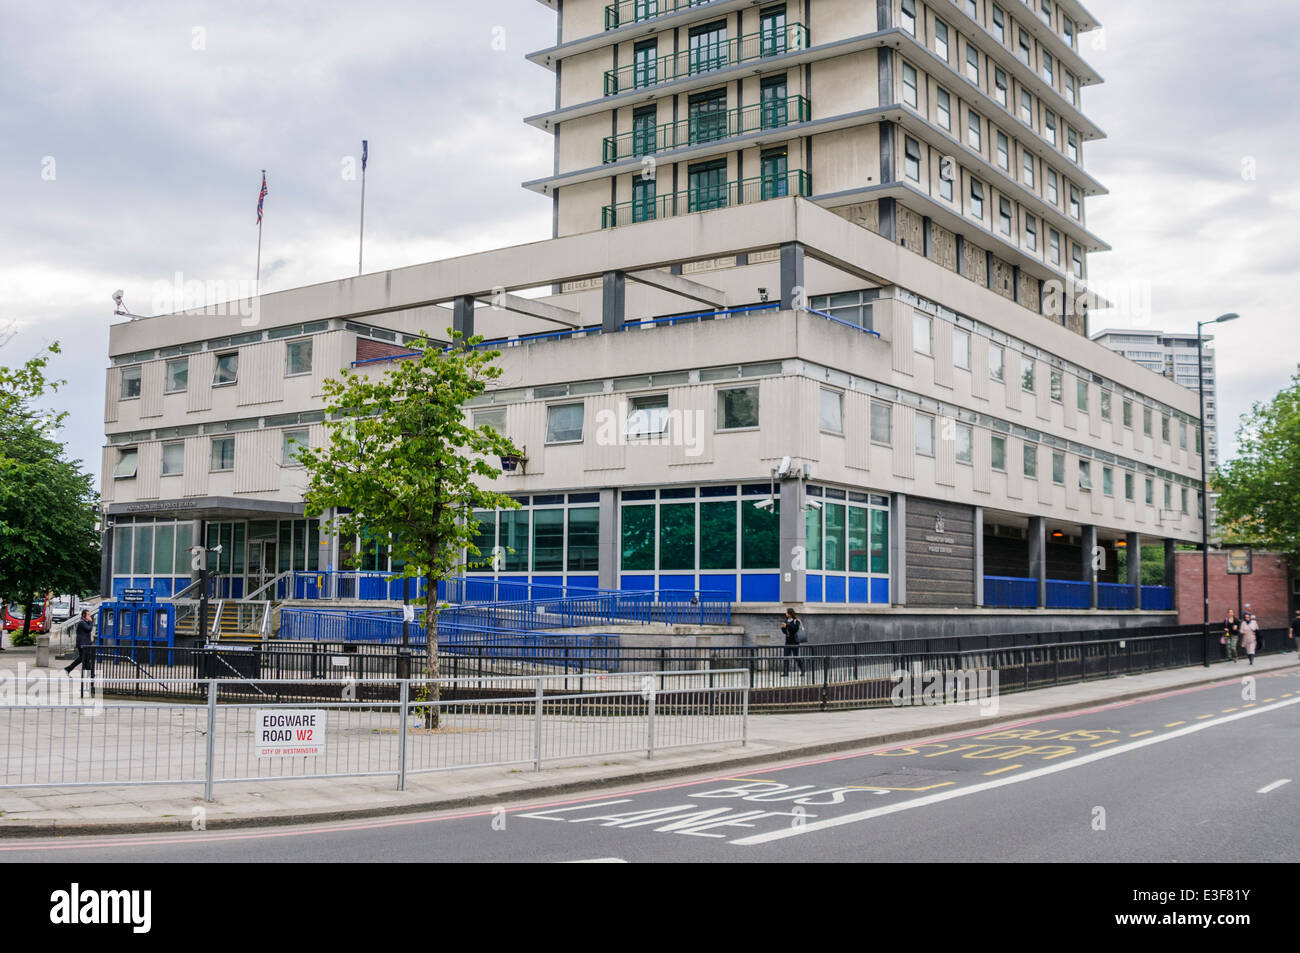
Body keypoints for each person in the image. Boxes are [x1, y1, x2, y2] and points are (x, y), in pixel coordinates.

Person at [65, 609, 95, 679]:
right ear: (84, 615)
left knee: (83, 658)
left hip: (85, 644)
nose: (89, 616)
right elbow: (88, 629)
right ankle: (91, 674)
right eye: (88, 615)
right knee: (85, 658)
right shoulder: (82, 622)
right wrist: (91, 622)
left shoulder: (85, 622)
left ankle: (68, 669)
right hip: (82, 644)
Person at [780, 607, 805, 676]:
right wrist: (783, 628)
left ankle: (802, 670)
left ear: (790, 614)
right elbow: (785, 632)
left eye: (787, 612)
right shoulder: (786, 620)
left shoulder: (796, 621)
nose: (786, 613)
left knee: (796, 657)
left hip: (795, 642)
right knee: (786, 657)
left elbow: (795, 629)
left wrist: (787, 625)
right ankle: (785, 672)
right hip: (788, 641)